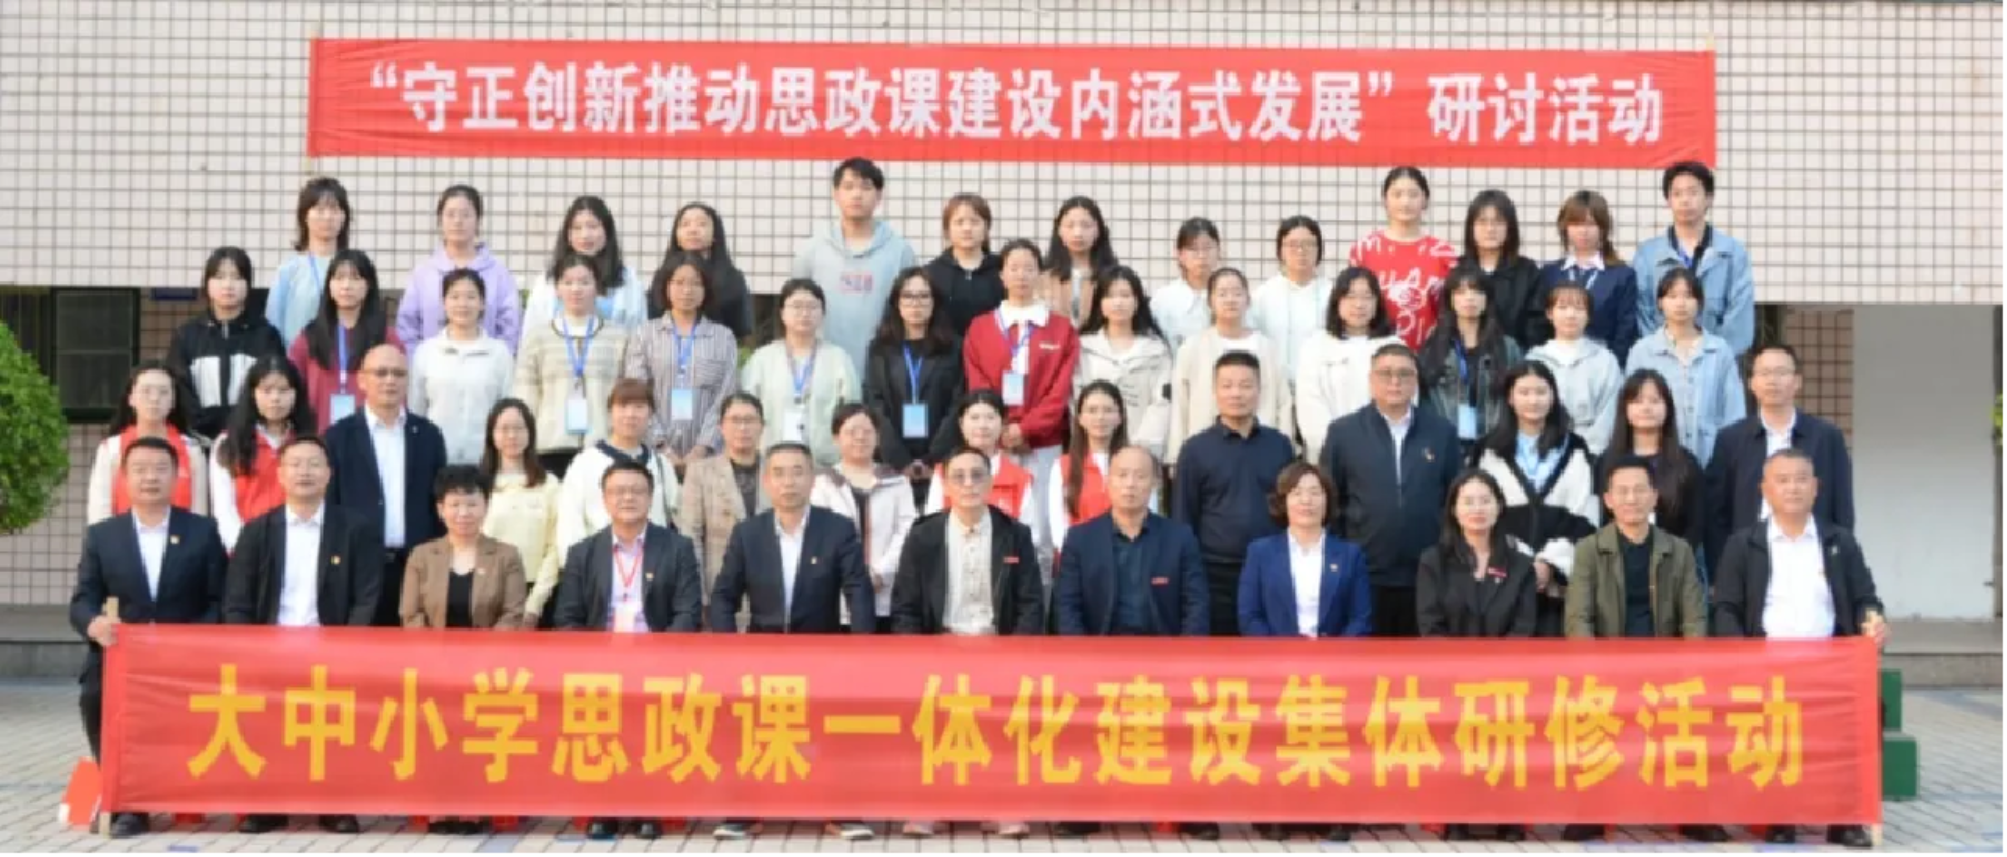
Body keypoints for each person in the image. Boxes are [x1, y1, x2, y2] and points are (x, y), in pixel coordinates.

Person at [1711, 449, 1882, 850]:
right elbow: (1726, 608)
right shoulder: (1744, 544)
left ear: (1816, 487)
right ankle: (1780, 815)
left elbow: (1865, 599)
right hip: (1767, 665)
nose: (1793, 488)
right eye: (1783, 480)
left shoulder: (1839, 542)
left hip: (1830, 665)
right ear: (1765, 489)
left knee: (1860, 715)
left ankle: (1843, 821)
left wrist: (1873, 620)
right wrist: (1743, 658)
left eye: (1801, 479)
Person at [708, 442, 875, 842]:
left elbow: (858, 590)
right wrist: (729, 649)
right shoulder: (748, 534)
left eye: (798, 472)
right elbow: (723, 596)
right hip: (761, 653)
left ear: (812, 479)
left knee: (833, 732)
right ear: (767, 482)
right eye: (779, 473)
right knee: (751, 729)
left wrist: (862, 649)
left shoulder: (836, 529)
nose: (789, 482)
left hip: (822, 650)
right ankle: (744, 811)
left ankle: (842, 811)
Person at [69, 437, 228, 838]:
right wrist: (94, 624)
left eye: (160, 469)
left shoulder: (202, 531)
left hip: (185, 656)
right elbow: (82, 600)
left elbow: (219, 600)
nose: (150, 478)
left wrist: (190, 640)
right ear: (124, 478)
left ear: (176, 477)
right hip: (123, 655)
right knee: (94, 694)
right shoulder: (104, 536)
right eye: (139, 469)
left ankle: (175, 789)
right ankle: (126, 800)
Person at [222, 436, 379, 835]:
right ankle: (268, 804)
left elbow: (367, 596)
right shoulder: (258, 531)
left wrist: (348, 647)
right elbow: (237, 599)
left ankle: (334, 805)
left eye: (314, 464)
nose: (304, 472)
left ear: (329, 474)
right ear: (280, 474)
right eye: (295, 464)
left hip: (333, 649)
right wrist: (248, 650)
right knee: (270, 726)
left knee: (332, 728)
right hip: (271, 649)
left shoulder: (355, 529)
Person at [1050, 445, 1208, 840]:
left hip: (1164, 657)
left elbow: (1195, 603)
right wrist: (1082, 657)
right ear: (1107, 482)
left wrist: (1186, 658)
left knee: (1188, 722)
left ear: (1155, 484)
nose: (1130, 484)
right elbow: (1066, 605)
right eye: (1122, 475)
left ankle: (1188, 809)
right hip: (1100, 656)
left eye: (1140, 476)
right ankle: (1085, 809)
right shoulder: (1081, 539)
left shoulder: (1179, 537)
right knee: (1085, 724)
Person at [890, 444, 1046, 840]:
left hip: (998, 648)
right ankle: (931, 807)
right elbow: (905, 607)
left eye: (977, 475)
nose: (969, 484)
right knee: (935, 730)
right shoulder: (924, 536)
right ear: (945, 484)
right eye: (958, 476)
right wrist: (915, 656)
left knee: (1000, 730)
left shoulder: (1015, 535)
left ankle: (999, 806)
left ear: (991, 482)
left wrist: (1016, 654)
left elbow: (1031, 603)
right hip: (940, 648)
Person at [1561, 455, 1713, 844]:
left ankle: (1692, 812)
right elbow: (1578, 617)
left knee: (1689, 719)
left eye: (1640, 490)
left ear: (1654, 497)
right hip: (1606, 668)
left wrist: (1690, 668)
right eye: (1622, 492)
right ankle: (1592, 812)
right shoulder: (1590, 550)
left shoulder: (1678, 550)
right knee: (1591, 717)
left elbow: (1694, 617)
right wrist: (1593, 667)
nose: (1631, 499)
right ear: (1608, 500)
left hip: (1666, 669)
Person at [552, 459, 704, 841]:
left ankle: (648, 807)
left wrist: (659, 654)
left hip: (658, 659)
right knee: (601, 723)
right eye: (618, 491)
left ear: (651, 497)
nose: (628, 498)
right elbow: (567, 617)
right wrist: (593, 657)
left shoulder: (677, 548)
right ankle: (605, 807)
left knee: (652, 726)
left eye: (637, 491)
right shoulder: (583, 553)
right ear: (604, 499)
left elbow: (688, 612)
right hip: (600, 662)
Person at [1233, 461, 1371, 843]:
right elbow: (1249, 615)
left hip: (1334, 668)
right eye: (1297, 493)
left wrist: (1331, 656)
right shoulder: (1261, 552)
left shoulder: (1350, 555)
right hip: (1277, 666)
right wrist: (1282, 654)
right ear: (1283, 501)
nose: (1306, 501)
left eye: (1315, 492)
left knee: (1331, 738)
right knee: (1280, 737)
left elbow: (1361, 618)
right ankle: (1278, 812)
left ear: (1328, 501)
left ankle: (1334, 813)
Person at [1416, 470, 1539, 843]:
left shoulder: (1520, 565)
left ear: (1499, 507)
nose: (1477, 508)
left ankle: (1508, 815)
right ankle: (1457, 813)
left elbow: (1524, 627)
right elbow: (1430, 626)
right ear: (1454, 509)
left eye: (1485, 500)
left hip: (1507, 679)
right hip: (1452, 679)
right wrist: (1464, 672)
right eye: (1468, 501)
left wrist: (1494, 672)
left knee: (1507, 724)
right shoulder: (1434, 561)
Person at [1319, 343, 1462, 638]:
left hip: (1426, 569)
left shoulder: (1441, 432)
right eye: (1385, 374)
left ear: (1416, 381)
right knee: (1366, 657)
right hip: (1364, 568)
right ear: (1371, 380)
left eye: (1404, 374)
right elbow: (1329, 500)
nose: (1395, 382)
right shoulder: (1343, 432)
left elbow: (1454, 499)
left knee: (1420, 657)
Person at [323, 343, 450, 627]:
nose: (390, 380)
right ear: (362, 380)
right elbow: (330, 505)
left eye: (398, 373)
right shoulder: (338, 437)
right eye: (380, 373)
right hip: (358, 568)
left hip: (417, 566)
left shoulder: (428, 435)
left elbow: (439, 504)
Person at [1471, 362, 1601, 637]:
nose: (1533, 400)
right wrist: (1522, 565)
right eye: (1524, 392)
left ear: (1553, 396)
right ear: (1510, 397)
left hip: (1559, 585)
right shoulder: (1488, 450)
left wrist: (1549, 564)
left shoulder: (1575, 449)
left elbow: (1584, 516)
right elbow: (1479, 513)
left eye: (1541, 392)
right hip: (1502, 578)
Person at [1174, 351, 1297, 636]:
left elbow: (1289, 508)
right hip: (1214, 572)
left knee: (1269, 650)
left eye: (1245, 385)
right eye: (1227, 385)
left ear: (1259, 390)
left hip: (1270, 568)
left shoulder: (1279, 445)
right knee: (1221, 651)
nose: (1236, 393)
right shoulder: (1195, 449)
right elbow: (1184, 515)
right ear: (1215, 391)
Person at [962, 239, 1080, 526]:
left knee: (1043, 522)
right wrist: (1001, 428)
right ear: (1002, 275)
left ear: (1040, 274)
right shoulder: (980, 327)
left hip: (1045, 444)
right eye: (1013, 268)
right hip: (995, 442)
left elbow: (1060, 391)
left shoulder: (1061, 328)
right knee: (994, 519)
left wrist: (1026, 429)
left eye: (1029, 268)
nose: (1021, 275)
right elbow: (978, 385)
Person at [1705, 343, 1855, 567]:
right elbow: (1716, 515)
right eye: (1764, 373)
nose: (1772, 381)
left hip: (1812, 558)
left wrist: (1838, 564)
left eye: (1781, 372)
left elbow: (1842, 508)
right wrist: (1724, 568)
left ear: (1797, 382)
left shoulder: (1826, 437)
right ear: (1751, 383)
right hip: (1749, 561)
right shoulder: (1730, 440)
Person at [513, 251, 640, 478]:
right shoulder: (538, 338)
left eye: (584, 282)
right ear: (557, 289)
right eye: (568, 282)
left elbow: (627, 394)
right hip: (549, 447)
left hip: (605, 446)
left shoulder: (618, 337)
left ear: (597, 288)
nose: (576, 289)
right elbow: (525, 397)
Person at [792, 157, 919, 380]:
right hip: (822, 371)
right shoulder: (812, 249)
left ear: (879, 196)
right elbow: (794, 308)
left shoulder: (900, 251)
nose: (857, 195)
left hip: (884, 371)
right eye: (848, 187)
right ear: (835, 193)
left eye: (866, 187)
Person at [623, 251, 741, 470]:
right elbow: (637, 393)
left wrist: (702, 448)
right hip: (651, 455)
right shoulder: (644, 335)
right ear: (665, 286)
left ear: (706, 289)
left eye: (696, 283)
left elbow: (726, 397)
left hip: (709, 457)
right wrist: (662, 448)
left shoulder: (723, 338)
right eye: (679, 283)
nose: (687, 290)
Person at [1166, 268, 1296, 468]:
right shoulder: (1192, 348)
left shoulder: (1267, 348)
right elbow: (1180, 404)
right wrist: (1176, 456)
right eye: (1222, 294)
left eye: (1237, 293)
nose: (1230, 300)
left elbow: (1283, 402)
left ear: (1248, 300)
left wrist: (1285, 449)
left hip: (1261, 449)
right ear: (1210, 302)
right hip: (1206, 453)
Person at [810, 404, 918, 633]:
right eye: (851, 432)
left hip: (887, 595)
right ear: (836, 438)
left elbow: (907, 532)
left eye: (867, 432)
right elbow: (821, 536)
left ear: (878, 437)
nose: (860, 437)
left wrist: (881, 573)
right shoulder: (822, 484)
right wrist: (853, 579)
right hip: (837, 598)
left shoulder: (897, 482)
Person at [1626, 267, 1744, 469]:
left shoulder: (1719, 350)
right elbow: (1629, 406)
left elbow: (1733, 410)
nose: (1680, 303)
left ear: (1699, 302)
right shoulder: (1643, 351)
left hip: (1712, 456)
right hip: (1658, 458)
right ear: (1660, 302)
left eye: (1688, 296)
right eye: (1672, 296)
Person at [1634, 161, 1757, 355]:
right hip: (1662, 362)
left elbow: (1739, 319)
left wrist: (1711, 357)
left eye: (1693, 192)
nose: (1685, 200)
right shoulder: (1647, 255)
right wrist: (1664, 355)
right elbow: (1643, 314)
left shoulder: (1732, 253)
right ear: (1668, 200)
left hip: (1718, 363)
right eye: (1677, 194)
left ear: (1709, 198)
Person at [863, 268, 963, 504]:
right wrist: (900, 460)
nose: (915, 303)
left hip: (942, 462)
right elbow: (874, 404)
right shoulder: (880, 349)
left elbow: (958, 404)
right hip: (891, 461)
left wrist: (933, 459)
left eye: (923, 296)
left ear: (934, 302)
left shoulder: (953, 348)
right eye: (908, 296)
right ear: (896, 302)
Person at [168, 246, 286, 443]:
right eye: (220, 277)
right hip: (197, 441)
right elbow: (180, 389)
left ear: (248, 284)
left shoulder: (266, 335)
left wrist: (242, 426)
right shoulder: (186, 335)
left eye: (237, 277)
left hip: (250, 441)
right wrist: (200, 428)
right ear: (207, 283)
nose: (228, 285)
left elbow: (271, 386)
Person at [741, 278, 861, 466]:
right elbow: (745, 410)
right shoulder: (762, 359)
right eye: (796, 306)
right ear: (782, 313)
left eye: (812, 307)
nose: (804, 313)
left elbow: (853, 412)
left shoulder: (838, 358)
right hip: (771, 463)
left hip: (825, 464)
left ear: (822, 313)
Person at [556, 378, 682, 554]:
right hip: (600, 562)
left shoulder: (661, 465)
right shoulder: (585, 463)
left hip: (654, 562)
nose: (630, 414)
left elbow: (678, 516)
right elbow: (570, 525)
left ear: (650, 414)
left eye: (639, 407)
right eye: (623, 406)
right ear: (610, 412)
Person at [399, 465, 527, 631]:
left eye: (472, 504)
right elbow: (411, 615)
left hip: (491, 647)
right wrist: (433, 646)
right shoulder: (421, 556)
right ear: (441, 509)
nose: (464, 513)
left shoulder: (507, 556)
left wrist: (486, 646)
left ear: (486, 507)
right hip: (431, 647)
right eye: (455, 505)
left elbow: (513, 615)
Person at [287, 248, 402, 433]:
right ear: (329, 286)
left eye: (355, 278)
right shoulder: (309, 337)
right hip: (319, 437)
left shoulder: (386, 337)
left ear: (368, 285)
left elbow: (400, 391)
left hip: (372, 436)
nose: (346, 286)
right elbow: (290, 386)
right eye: (339, 278)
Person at [396, 184, 523, 352]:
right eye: (450, 214)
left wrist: (497, 359)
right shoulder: (423, 273)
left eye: (466, 215)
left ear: (478, 221)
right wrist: (419, 360)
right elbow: (407, 327)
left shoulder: (498, 273)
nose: (457, 221)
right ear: (440, 220)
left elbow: (510, 329)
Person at [408, 268, 515, 465]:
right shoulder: (426, 352)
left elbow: (508, 410)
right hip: (435, 460)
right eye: (455, 296)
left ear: (482, 303)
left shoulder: (499, 353)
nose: (462, 304)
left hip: (485, 461)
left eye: (471, 297)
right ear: (444, 303)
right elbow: (416, 411)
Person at [1296, 267, 1406, 456]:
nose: (1359, 305)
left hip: (1384, 454)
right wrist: (1337, 448)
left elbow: (1404, 402)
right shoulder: (1316, 346)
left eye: (1367, 297)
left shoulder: (1394, 346)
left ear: (1377, 302)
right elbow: (1310, 406)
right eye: (1350, 296)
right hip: (1330, 454)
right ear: (1337, 301)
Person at [1347, 166, 1459, 349]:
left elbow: (1452, 310)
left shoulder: (1443, 252)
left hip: (1429, 354)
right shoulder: (1364, 250)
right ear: (1385, 200)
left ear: (1425, 200)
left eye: (1413, 195)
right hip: (1373, 351)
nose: (1405, 202)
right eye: (1397, 194)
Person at [209, 356, 314, 551]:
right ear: (252, 394)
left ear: (296, 394)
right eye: (266, 390)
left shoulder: (309, 442)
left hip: (301, 548)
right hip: (245, 550)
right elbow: (224, 510)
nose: (275, 398)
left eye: (283, 390)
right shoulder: (229, 442)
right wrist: (245, 549)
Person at [1596, 370, 1706, 554]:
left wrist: (1675, 560)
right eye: (1637, 401)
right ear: (1624, 408)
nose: (1646, 408)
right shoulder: (1606, 462)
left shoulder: (1686, 464)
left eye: (1655, 401)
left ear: (1668, 408)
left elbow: (1696, 525)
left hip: (1675, 563)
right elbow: (1600, 521)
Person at [86, 360, 207, 524]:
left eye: (163, 392)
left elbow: (199, 514)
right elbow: (100, 513)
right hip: (123, 538)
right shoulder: (111, 449)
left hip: (180, 538)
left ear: (173, 401)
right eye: (146, 391)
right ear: (131, 398)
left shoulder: (192, 450)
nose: (154, 399)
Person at [1417, 267, 1522, 453]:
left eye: (1477, 291)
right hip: (1446, 447)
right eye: (1461, 292)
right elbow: (1424, 401)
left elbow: (1519, 396)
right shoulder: (1433, 347)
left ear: (1487, 298)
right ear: (1450, 299)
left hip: (1496, 447)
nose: (1469, 298)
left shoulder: (1507, 347)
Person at [479, 399, 564, 628]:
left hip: (536, 591)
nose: (511, 435)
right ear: (491, 434)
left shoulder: (549, 485)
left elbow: (555, 548)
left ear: (530, 433)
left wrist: (534, 605)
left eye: (519, 428)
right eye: (504, 429)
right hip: (485, 592)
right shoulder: (479, 484)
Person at [1074, 266, 1174, 459]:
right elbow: (1076, 397)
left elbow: (1161, 403)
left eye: (1125, 295)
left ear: (1137, 302)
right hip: (1093, 447)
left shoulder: (1156, 351)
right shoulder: (1084, 348)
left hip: (1142, 450)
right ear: (1100, 303)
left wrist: (1142, 445)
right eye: (1110, 296)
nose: (1118, 302)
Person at [519, 195, 646, 335]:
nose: (585, 235)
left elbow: (639, 334)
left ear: (607, 231)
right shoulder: (547, 282)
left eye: (593, 226)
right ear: (568, 235)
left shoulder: (628, 280)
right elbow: (530, 334)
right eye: (577, 228)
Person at [1047, 383, 1150, 555]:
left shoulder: (1137, 461)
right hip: (1079, 559)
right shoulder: (1063, 466)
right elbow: (1058, 528)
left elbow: (1148, 514)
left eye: (1108, 410)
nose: (1100, 417)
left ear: (1120, 417)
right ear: (1080, 418)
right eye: (1092, 410)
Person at [1536, 190, 1640, 361]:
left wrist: (1610, 364)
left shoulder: (1622, 275)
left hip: (1603, 364)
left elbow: (1626, 329)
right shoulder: (1549, 274)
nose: (1583, 231)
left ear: (1603, 228)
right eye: (1576, 224)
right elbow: (1540, 326)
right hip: (1555, 363)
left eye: (1591, 224)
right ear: (1565, 228)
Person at [1527, 281, 1623, 453]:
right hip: (1542, 448)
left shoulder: (1605, 360)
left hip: (1593, 450)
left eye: (1579, 309)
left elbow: (1610, 412)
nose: (1571, 315)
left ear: (1589, 315)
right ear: (1549, 313)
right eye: (1562, 308)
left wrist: (1588, 451)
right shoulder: (1535, 359)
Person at [921, 390, 1038, 530]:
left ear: (1003, 424)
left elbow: (1031, 534)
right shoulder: (943, 473)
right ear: (961, 423)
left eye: (990, 417)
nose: (982, 425)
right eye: (974, 418)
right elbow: (931, 529)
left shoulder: (1019, 478)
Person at [266, 177, 352, 348]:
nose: (327, 217)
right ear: (304, 216)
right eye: (319, 210)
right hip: (296, 360)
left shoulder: (355, 270)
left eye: (334, 209)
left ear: (344, 216)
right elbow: (273, 327)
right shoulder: (289, 270)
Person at [647, 202, 753, 339]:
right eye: (685, 224)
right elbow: (652, 318)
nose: (693, 230)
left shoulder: (732, 277)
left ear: (715, 234)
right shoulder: (662, 276)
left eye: (702, 224)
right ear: (676, 236)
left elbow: (741, 328)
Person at [1457, 190, 1545, 347]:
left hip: (1515, 357)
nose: (1490, 229)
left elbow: (1536, 328)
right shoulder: (1457, 269)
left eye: (1498, 222)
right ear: (1471, 228)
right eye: (1482, 222)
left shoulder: (1527, 272)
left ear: (1510, 228)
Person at [1251, 215, 1332, 376]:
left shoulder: (1332, 294)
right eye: (1292, 245)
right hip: (1274, 382)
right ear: (1280, 251)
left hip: (1320, 383)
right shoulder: (1263, 295)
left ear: (1319, 250)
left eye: (1308, 244)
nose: (1301, 251)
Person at [920, 193, 1005, 336]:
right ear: (947, 229)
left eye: (975, 222)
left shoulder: (1002, 270)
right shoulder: (931, 273)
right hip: (944, 349)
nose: (967, 228)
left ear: (986, 228)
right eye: (959, 222)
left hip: (992, 347)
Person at [1041, 196, 1121, 321]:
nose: (1077, 233)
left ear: (1098, 230)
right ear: (1059, 230)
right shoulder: (1042, 279)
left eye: (1086, 226)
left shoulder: (1114, 278)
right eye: (1070, 225)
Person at [1151, 218, 1219, 352]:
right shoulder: (1164, 299)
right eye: (1193, 249)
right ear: (1180, 255)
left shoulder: (1230, 295)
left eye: (1208, 248)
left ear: (1219, 251)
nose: (1201, 256)